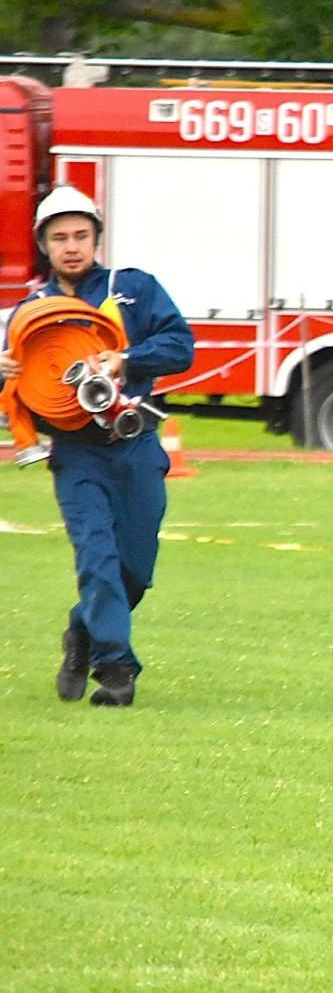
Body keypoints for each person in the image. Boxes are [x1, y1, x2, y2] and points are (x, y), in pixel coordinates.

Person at [0, 186, 195, 707]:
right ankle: (116, 670)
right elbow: (18, 400)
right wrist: (8, 373)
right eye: (59, 237)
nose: (71, 246)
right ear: (44, 243)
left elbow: (181, 347)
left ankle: (81, 632)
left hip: (136, 444)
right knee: (97, 558)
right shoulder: (27, 313)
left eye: (81, 235)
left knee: (135, 569)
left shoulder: (131, 288)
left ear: (96, 238)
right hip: (77, 453)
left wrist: (125, 359)